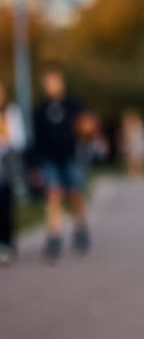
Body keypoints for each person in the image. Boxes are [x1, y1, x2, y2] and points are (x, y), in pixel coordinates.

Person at [31, 64, 93, 262]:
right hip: (50, 159)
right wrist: (35, 164)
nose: (51, 85)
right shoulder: (40, 109)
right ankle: (54, 237)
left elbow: (87, 125)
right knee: (54, 195)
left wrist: (88, 131)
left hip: (71, 156)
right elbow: (36, 138)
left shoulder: (73, 104)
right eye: (48, 82)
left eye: (54, 80)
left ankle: (81, 228)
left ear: (61, 81)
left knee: (76, 194)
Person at [0, 80, 26, 264]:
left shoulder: (12, 113)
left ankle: (7, 243)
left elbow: (18, 140)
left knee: (5, 205)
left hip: (7, 163)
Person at [118, 108, 144, 179]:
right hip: (133, 143)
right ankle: (133, 173)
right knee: (132, 158)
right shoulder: (128, 124)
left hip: (137, 142)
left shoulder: (137, 123)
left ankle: (139, 173)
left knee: (138, 158)